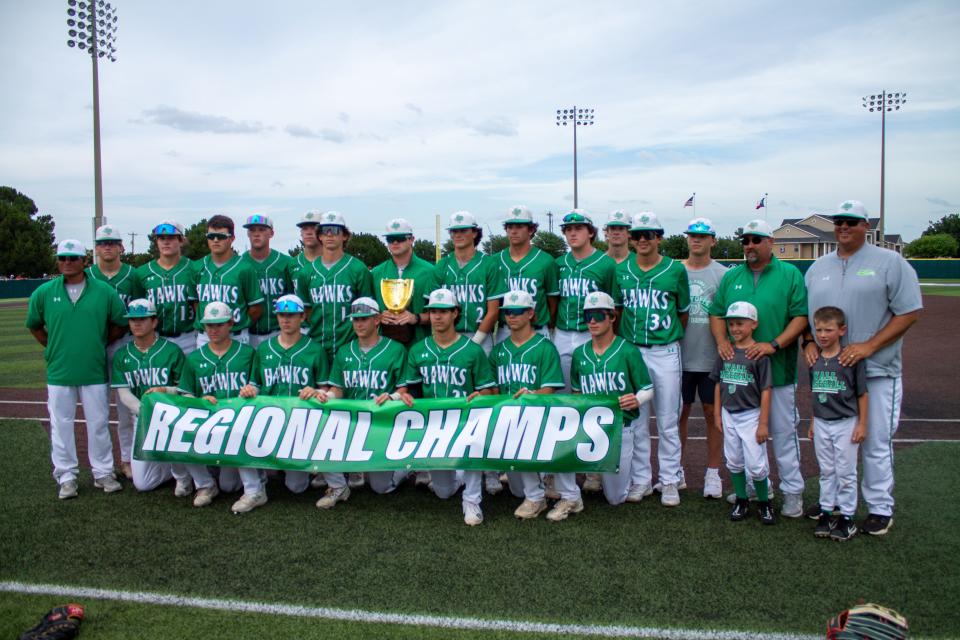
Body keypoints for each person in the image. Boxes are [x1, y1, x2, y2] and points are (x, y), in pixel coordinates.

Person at [803, 200, 921, 536]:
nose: (843, 227)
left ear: (865, 226)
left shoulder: (890, 262)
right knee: (832, 444)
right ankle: (835, 503)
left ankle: (880, 507)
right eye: (839, 221)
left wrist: (869, 346)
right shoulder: (818, 266)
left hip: (877, 370)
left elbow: (909, 312)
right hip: (831, 376)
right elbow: (807, 316)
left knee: (874, 440)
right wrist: (809, 343)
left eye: (851, 222)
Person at [709, 219, 808, 518]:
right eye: (745, 240)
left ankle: (792, 492)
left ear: (770, 243)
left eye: (756, 240)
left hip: (778, 373)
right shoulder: (732, 276)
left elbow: (800, 317)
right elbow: (716, 313)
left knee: (783, 434)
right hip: (741, 380)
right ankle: (752, 488)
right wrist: (721, 340)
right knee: (743, 442)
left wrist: (773, 344)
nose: (749, 245)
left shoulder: (789, 274)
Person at [25, 239, 127, 499]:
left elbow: (119, 323)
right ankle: (66, 475)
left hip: (94, 369)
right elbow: (34, 324)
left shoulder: (104, 291)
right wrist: (51, 346)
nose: (67, 263)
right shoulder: (44, 292)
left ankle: (103, 472)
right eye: (62, 258)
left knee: (98, 424)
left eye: (73, 258)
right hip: (59, 371)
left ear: (84, 261)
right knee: (60, 425)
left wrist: (99, 342)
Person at [613, 212, 690, 507]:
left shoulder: (674, 270)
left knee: (669, 420)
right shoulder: (622, 270)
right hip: (633, 351)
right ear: (632, 239)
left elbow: (682, 312)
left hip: (665, 351)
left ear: (659, 237)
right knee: (638, 420)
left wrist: (668, 335)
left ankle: (669, 479)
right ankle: (642, 479)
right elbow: (618, 313)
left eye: (649, 234)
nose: (643, 240)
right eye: (638, 235)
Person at [402, 288, 497, 525]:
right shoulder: (418, 350)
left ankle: (472, 500)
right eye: (433, 310)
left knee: (473, 444)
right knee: (443, 491)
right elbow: (409, 390)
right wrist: (400, 397)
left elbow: (489, 391)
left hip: (466, 424)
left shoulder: (472, 350)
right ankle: (459, 478)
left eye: (443, 311)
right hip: (435, 426)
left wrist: (481, 396)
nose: (437, 316)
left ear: (455, 313)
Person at [429, 211, 506, 496]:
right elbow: (435, 308)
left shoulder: (488, 264)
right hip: (447, 338)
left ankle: (491, 471)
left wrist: (476, 341)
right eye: (454, 231)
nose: (458, 235)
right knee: (452, 401)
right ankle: (454, 463)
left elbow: (494, 309)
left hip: (478, 337)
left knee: (484, 403)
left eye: (464, 230)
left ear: (475, 232)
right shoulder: (442, 267)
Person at [314, 296, 411, 504]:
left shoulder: (395, 349)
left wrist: (392, 396)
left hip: (382, 424)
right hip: (350, 421)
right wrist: (326, 395)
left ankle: (406, 467)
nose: (358, 323)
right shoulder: (344, 351)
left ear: (377, 320)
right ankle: (338, 486)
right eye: (355, 319)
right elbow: (338, 389)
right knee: (316, 427)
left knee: (380, 487)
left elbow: (404, 391)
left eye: (364, 319)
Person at [569, 292, 654, 513]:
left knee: (615, 498)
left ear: (612, 317)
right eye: (588, 316)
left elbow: (648, 388)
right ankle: (580, 483)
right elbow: (577, 392)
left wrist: (637, 399)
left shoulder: (627, 351)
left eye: (598, 315)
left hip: (620, 428)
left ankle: (626, 476)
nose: (592, 321)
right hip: (590, 428)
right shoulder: (579, 354)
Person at [239, 294, 328, 498]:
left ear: (302, 317)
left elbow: (325, 388)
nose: (286, 320)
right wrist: (249, 390)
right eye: (281, 315)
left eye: (291, 315)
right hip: (269, 418)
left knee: (296, 487)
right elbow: (256, 383)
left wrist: (316, 392)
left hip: (301, 422)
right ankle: (254, 488)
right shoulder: (263, 348)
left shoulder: (315, 349)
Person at [178, 301, 262, 513]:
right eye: (209, 325)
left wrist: (251, 390)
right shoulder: (195, 358)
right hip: (208, 423)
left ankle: (255, 488)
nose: (213, 330)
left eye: (219, 324)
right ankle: (205, 485)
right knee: (177, 433)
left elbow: (257, 385)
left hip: (237, 425)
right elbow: (186, 393)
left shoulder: (247, 353)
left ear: (231, 324)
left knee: (229, 485)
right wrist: (199, 400)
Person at [488, 290, 565, 520]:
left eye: (517, 312)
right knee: (515, 490)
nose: (511, 317)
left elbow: (549, 390)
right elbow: (493, 391)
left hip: (538, 420)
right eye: (507, 312)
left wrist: (530, 396)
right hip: (507, 421)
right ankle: (536, 484)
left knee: (615, 495)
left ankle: (538, 496)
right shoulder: (499, 351)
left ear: (530, 313)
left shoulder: (545, 347)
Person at [110, 298, 190, 493]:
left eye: (143, 319)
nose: (137, 323)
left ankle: (183, 473)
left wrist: (165, 398)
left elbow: (184, 390)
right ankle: (170, 469)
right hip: (143, 418)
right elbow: (124, 393)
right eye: (133, 319)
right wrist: (146, 411)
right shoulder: (122, 355)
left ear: (154, 322)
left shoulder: (171, 350)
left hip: (171, 418)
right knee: (143, 484)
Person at [88, 224, 145, 480]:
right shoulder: (87, 275)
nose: (107, 247)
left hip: (124, 345)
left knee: (126, 409)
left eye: (112, 243)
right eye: (102, 243)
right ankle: (101, 464)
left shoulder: (133, 276)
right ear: (96, 248)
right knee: (96, 410)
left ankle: (126, 459)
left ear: (121, 246)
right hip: (95, 347)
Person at [807, 306, 868, 542]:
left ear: (841, 330)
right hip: (822, 422)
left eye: (828, 330)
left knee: (845, 471)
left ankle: (847, 517)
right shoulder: (815, 359)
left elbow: (862, 393)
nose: (822, 335)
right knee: (827, 470)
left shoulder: (849, 359)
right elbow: (815, 392)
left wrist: (862, 424)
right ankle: (826, 512)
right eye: (819, 330)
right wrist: (813, 421)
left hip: (845, 422)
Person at [711, 301, 775, 525]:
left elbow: (766, 390)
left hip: (751, 414)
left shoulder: (759, 355)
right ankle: (741, 499)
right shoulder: (726, 351)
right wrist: (718, 415)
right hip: (729, 413)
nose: (735, 328)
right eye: (731, 324)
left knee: (756, 464)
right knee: (734, 460)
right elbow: (718, 383)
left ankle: (765, 502)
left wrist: (763, 423)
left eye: (740, 323)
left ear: (754, 324)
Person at [678, 218, 728, 499]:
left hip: (711, 358)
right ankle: (676, 470)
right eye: (692, 235)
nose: (696, 240)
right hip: (679, 358)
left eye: (702, 236)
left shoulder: (723, 275)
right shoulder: (675, 271)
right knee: (679, 415)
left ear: (712, 240)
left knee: (713, 415)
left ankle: (713, 473)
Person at [295, 211, 374, 362]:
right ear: (320, 236)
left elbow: (366, 311)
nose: (330, 235)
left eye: (335, 230)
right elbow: (306, 311)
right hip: (315, 345)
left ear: (344, 235)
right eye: (325, 231)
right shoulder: (306, 272)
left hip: (350, 346)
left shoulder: (358, 269)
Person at [554, 210, 617, 390]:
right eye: (568, 229)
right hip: (562, 333)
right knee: (562, 391)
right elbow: (555, 301)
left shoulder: (606, 264)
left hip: (592, 333)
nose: (573, 233)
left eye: (579, 228)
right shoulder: (558, 263)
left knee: (593, 389)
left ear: (590, 232)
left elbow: (613, 306)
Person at [194, 214, 264, 349]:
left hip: (236, 334)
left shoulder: (244, 268)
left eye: (221, 236)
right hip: (206, 336)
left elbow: (255, 308)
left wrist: (239, 323)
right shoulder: (197, 267)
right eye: (211, 236)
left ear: (232, 238)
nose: (215, 240)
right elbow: (195, 302)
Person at [492, 206, 559, 345]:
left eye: (520, 226)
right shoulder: (495, 261)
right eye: (510, 226)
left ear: (531, 229)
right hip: (505, 330)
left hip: (538, 330)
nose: (514, 231)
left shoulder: (546, 261)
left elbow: (553, 302)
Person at [136, 220, 199, 355]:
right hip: (155, 337)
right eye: (161, 238)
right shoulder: (142, 272)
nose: (165, 242)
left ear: (181, 240)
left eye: (171, 238)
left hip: (187, 337)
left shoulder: (194, 269)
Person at [371, 218, 433, 346]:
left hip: (421, 344)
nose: (394, 242)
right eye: (390, 239)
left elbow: (442, 314)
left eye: (400, 238)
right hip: (385, 345)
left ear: (411, 239)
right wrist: (378, 317)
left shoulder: (430, 272)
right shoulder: (376, 273)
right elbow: (366, 311)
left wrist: (415, 318)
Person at [240, 214, 293, 349]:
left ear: (271, 233)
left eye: (262, 230)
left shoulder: (286, 263)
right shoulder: (239, 264)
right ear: (247, 233)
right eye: (252, 230)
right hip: (247, 334)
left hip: (279, 333)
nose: (256, 234)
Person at [289, 211, 324, 286]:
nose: (309, 232)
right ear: (301, 233)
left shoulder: (334, 262)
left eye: (314, 228)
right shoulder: (292, 264)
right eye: (305, 228)